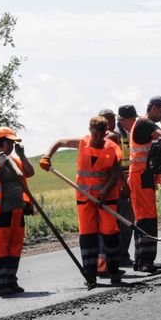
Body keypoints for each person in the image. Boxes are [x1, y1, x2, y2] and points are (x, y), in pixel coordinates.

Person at [40, 116, 123, 286]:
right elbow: (59, 142)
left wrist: (104, 193)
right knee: (87, 235)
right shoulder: (82, 143)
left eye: (101, 135)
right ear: (90, 130)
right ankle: (90, 276)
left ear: (105, 132)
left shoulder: (112, 149)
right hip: (85, 197)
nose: (98, 138)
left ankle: (114, 272)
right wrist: (47, 156)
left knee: (109, 233)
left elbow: (114, 176)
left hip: (106, 199)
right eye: (95, 134)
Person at [0, 127, 35, 296]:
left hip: (16, 212)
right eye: (9, 143)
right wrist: (0, 167)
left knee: (14, 247)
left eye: (13, 143)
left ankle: (10, 281)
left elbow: (30, 173)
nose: (11, 146)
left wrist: (22, 155)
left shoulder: (13, 160)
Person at [127, 96, 161, 273]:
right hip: (141, 175)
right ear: (155, 108)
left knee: (145, 218)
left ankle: (141, 260)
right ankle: (145, 262)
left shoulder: (142, 123)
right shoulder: (145, 123)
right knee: (147, 219)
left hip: (143, 175)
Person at [111, 104, 138, 270]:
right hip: (121, 185)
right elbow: (116, 163)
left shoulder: (128, 133)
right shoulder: (115, 136)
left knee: (127, 221)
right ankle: (120, 256)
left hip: (129, 183)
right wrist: (123, 184)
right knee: (124, 221)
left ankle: (122, 255)